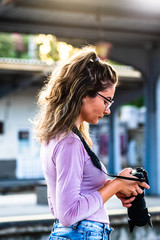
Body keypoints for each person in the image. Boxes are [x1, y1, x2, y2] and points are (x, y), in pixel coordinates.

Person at [34, 46, 150, 240]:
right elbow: (67, 214)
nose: (108, 110)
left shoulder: (57, 137)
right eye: (106, 101)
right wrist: (115, 186)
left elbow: (69, 198)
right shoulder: (69, 143)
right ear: (84, 93)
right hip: (83, 233)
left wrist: (115, 185)